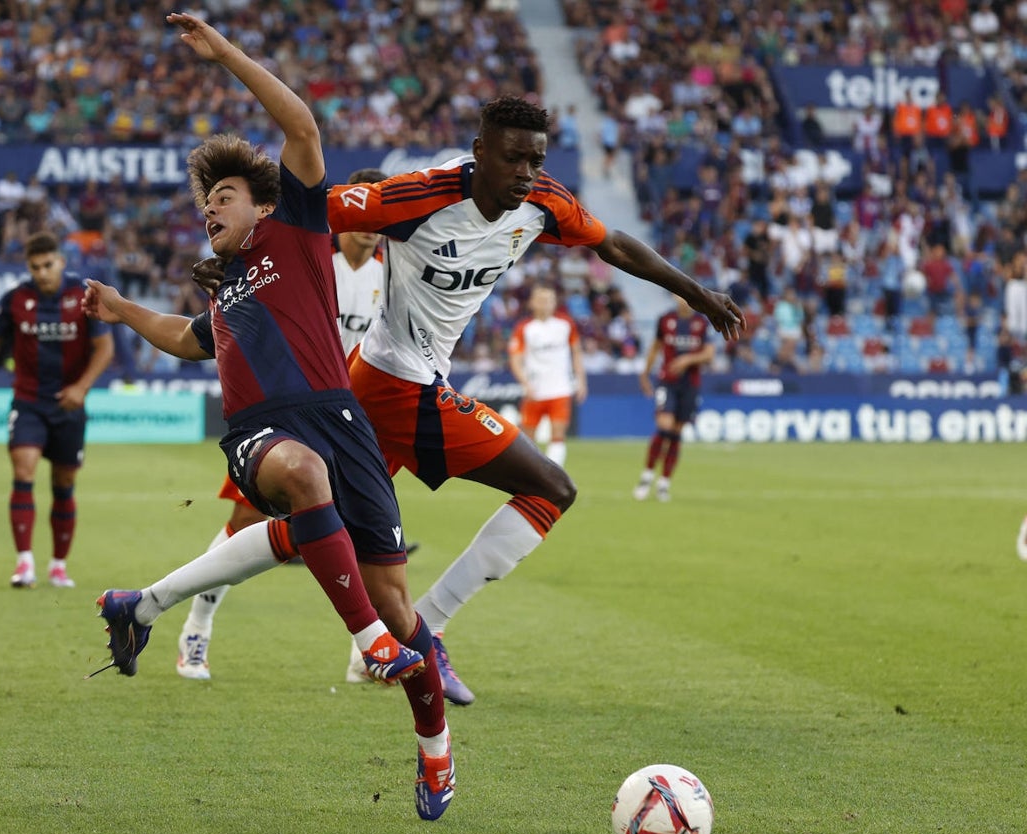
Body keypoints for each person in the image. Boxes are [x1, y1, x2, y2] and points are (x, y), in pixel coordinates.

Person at [177, 95, 743, 709]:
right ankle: (207, 628)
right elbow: (306, 207)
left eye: (535, 159)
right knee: (546, 488)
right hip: (359, 389)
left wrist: (694, 292)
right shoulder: (416, 198)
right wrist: (232, 253)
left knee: (309, 531)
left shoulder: (546, 203)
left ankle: (156, 605)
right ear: (480, 153)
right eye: (512, 158)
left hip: (375, 384)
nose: (526, 171)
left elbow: (613, 244)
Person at [80, 15, 454, 821]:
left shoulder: (300, 226)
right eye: (204, 201)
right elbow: (187, 341)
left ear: (260, 204)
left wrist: (225, 56)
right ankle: (367, 646)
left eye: (223, 195)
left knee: (401, 607)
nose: (209, 208)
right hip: (262, 431)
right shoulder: (222, 287)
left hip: (340, 419)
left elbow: (302, 125)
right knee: (301, 483)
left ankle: (434, 750)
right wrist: (119, 308)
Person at [174, 166, 397, 684]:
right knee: (244, 526)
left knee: (365, 541)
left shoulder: (388, 276)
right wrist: (215, 271)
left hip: (347, 420)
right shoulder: (312, 254)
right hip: (282, 414)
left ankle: (364, 657)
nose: (368, 225)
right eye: (359, 213)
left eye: (378, 215)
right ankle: (197, 626)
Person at [0, 231, 114, 588]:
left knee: (64, 482)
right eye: (35, 267)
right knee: (23, 470)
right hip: (28, 402)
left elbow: (104, 348)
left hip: (68, 404)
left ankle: (58, 565)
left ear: (60, 261)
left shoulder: (82, 296)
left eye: (48, 264)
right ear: (28, 267)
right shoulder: (15, 299)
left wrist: (81, 387)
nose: (42, 272)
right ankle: (24, 563)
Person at [633, 295, 715, 502]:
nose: (683, 299)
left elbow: (709, 354)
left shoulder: (701, 322)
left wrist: (688, 359)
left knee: (677, 434)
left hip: (690, 384)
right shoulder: (665, 319)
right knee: (664, 426)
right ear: (674, 296)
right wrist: (645, 373)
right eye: (679, 294)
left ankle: (664, 483)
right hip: (667, 381)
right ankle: (647, 474)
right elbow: (655, 346)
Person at [507, 282, 587, 467]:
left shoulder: (565, 324)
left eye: (549, 300)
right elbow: (515, 359)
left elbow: (576, 352)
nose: (545, 304)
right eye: (541, 300)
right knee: (527, 437)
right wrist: (525, 383)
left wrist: (581, 381)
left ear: (555, 302)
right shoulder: (524, 328)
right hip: (535, 390)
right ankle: (530, 473)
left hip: (560, 388)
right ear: (532, 303)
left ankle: (553, 473)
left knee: (558, 434)